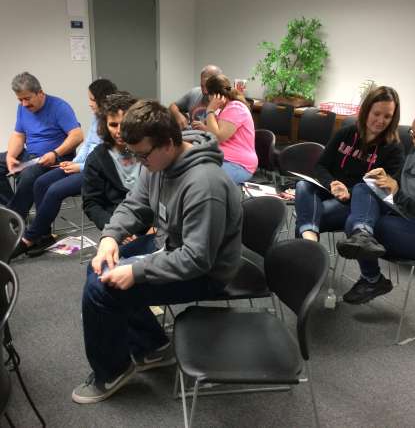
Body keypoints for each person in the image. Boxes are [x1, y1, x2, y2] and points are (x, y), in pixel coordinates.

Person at [72, 100, 242, 404]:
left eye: (142, 155)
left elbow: (196, 259)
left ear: (167, 143)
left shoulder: (204, 185)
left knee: (103, 290)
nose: (139, 162)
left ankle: (112, 370)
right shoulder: (157, 162)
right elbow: (136, 204)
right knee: (99, 269)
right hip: (170, 246)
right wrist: (111, 237)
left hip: (206, 271)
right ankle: (152, 345)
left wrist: (137, 271)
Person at [336, 91, 415, 304]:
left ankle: (371, 277)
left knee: (357, 221)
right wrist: (384, 178)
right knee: (362, 188)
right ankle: (364, 242)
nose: (414, 141)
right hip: (402, 215)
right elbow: (398, 180)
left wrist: (396, 193)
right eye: (413, 134)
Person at [11, 78, 117, 259]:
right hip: (82, 164)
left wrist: (80, 166)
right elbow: (87, 145)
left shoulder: (113, 123)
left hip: (97, 172)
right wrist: (75, 161)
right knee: (40, 182)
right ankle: (43, 235)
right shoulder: (97, 118)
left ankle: (29, 238)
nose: (89, 103)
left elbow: (106, 156)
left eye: (91, 99)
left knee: (53, 191)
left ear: (101, 100)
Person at [294, 86, 404, 241]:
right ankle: (309, 240)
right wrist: (332, 184)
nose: (380, 121)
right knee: (302, 186)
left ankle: (308, 239)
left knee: (308, 212)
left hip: (356, 204)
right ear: (366, 111)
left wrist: (349, 193)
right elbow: (321, 165)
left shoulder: (394, 148)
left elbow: (381, 189)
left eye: (387, 116)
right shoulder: (345, 133)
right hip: (331, 190)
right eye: (376, 114)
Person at [0, 72, 83, 219]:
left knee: (28, 176)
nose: (24, 104)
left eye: (27, 98)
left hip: (55, 157)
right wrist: (11, 156)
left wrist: (55, 153)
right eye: (20, 100)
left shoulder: (60, 107)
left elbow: (77, 136)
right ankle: (12, 213)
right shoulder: (22, 108)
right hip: (31, 155)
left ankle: (12, 220)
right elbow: (19, 135)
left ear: (40, 93)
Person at [82, 93, 141, 232]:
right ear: (105, 125)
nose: (119, 131)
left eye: (125, 124)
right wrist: (115, 229)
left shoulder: (148, 150)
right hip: (117, 224)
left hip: (153, 224)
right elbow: (91, 203)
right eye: (113, 125)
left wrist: (156, 227)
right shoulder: (96, 159)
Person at [192, 73, 258, 184]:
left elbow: (218, 137)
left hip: (239, 164)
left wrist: (210, 110)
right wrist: (205, 128)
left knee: (202, 180)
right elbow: (216, 131)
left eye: (209, 94)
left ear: (215, 95)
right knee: (192, 168)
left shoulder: (236, 107)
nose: (208, 98)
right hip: (224, 158)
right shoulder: (224, 108)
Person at [168, 64, 222, 129]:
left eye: (208, 87)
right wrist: (178, 115)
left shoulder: (226, 101)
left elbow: (223, 135)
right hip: (192, 136)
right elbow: (172, 106)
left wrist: (205, 128)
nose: (205, 91)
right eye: (202, 86)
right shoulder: (194, 93)